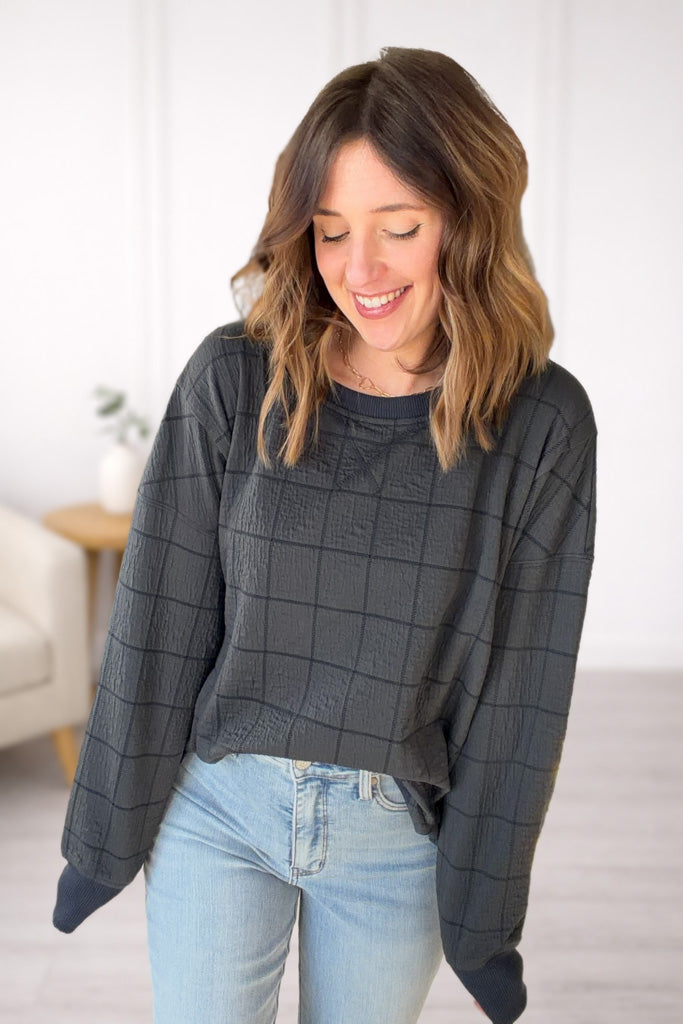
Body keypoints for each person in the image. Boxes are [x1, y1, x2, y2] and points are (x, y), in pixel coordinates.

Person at [53, 47, 597, 1024]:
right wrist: (100, 839)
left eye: (399, 228)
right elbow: (157, 619)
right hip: (219, 804)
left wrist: (482, 919)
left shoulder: (540, 424)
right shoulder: (233, 380)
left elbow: (524, 690)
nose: (359, 270)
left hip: (392, 837)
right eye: (330, 230)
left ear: (466, 223)